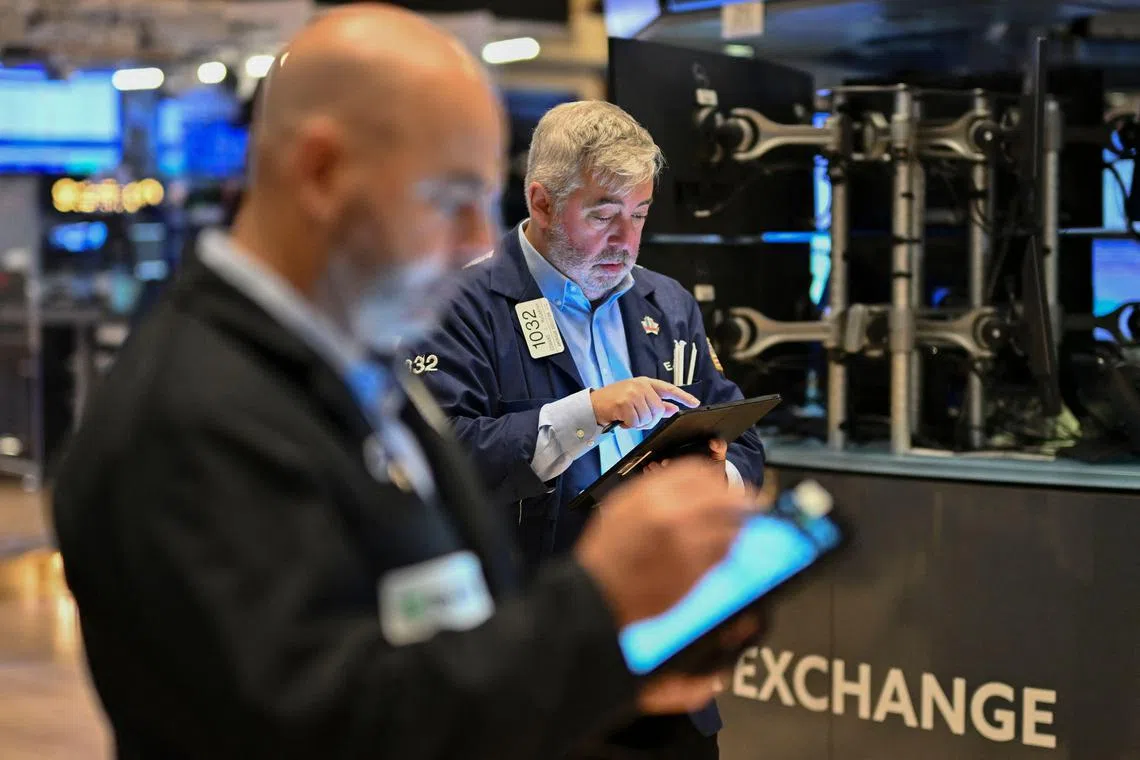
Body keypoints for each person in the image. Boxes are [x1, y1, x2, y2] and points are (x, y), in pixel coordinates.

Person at [49, 7, 759, 759]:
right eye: (450, 198)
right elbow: (319, 722)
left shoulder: (348, 371)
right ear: (321, 172)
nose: (476, 243)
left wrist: (611, 661)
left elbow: (439, 628)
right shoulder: (192, 417)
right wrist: (597, 614)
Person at [410, 100, 767, 758]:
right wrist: (591, 412)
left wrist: (712, 473)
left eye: (638, 215)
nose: (625, 242)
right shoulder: (456, 305)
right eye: (603, 213)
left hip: (668, 654)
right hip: (538, 667)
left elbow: (738, 433)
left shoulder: (667, 302)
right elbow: (442, 458)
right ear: (542, 203)